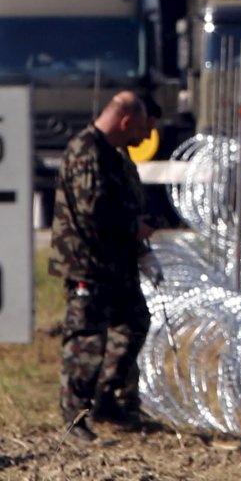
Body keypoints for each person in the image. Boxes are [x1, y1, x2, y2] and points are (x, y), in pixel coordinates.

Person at [54, 90, 156, 436]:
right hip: (88, 263)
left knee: (134, 322)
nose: (140, 136)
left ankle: (105, 399)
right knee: (87, 339)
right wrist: (133, 228)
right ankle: (75, 414)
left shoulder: (111, 154)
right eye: (138, 127)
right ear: (125, 121)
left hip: (114, 262)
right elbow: (91, 210)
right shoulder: (87, 150)